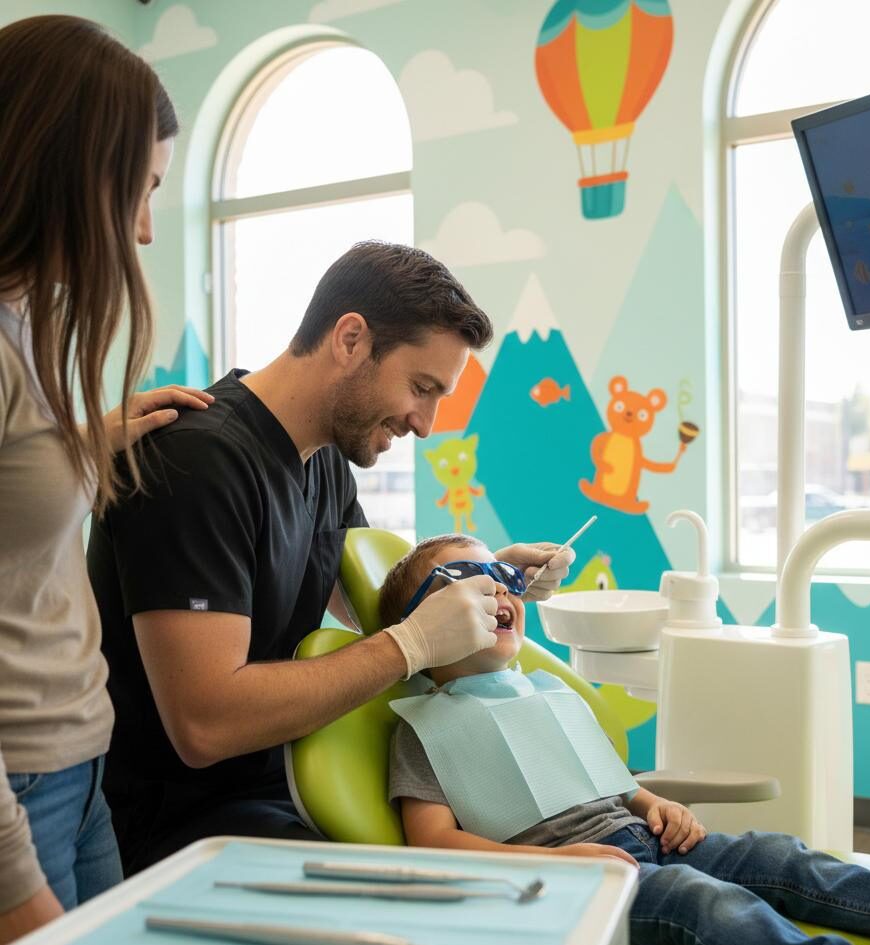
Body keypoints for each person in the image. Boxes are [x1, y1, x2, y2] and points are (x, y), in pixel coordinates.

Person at [87, 240, 576, 875]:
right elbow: (204, 723)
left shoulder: (322, 463)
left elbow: (382, 605)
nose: (425, 424)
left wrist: (485, 578)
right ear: (350, 340)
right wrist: (411, 646)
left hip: (277, 790)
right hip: (178, 829)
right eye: (421, 388)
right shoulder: (196, 464)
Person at [381, 534, 870, 945]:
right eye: (466, 581)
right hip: (573, 885)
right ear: (425, 625)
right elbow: (436, 843)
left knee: (779, 857)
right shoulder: (425, 728)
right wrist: (562, 865)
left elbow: (601, 776)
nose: (497, 588)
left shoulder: (542, 690)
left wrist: (649, 804)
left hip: (644, 840)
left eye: (501, 575)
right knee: (706, 904)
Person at [0, 15, 215, 943]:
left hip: (81, 762)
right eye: (142, 189)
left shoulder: (31, 325)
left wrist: (91, 432)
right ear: (69, 168)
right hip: (16, 798)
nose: (144, 228)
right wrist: (14, 884)